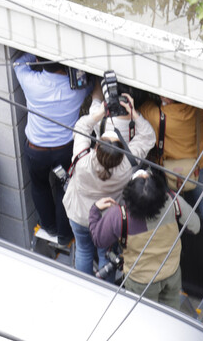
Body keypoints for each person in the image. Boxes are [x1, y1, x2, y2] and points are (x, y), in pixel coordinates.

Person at [62, 86, 155, 275]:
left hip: (79, 214)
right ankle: (107, 290)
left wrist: (102, 112)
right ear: (123, 149)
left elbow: (81, 127)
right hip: (107, 220)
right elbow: (148, 137)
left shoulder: (82, 160)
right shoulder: (128, 163)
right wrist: (134, 113)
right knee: (106, 256)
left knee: (83, 250)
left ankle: (85, 284)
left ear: (96, 146)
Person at [139, 95, 203, 280]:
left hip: (172, 172)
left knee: (170, 213)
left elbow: (141, 108)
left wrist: (161, 103)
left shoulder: (158, 116)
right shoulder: (198, 108)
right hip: (200, 167)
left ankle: (170, 260)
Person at [88, 165, 201, 305]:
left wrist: (94, 211)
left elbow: (98, 240)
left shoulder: (118, 216)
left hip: (141, 281)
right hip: (171, 272)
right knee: (171, 317)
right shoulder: (173, 201)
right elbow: (195, 226)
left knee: (146, 318)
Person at [13, 54, 92, 246]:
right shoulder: (77, 89)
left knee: (40, 186)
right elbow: (91, 81)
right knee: (64, 188)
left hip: (36, 150)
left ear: (39, 63)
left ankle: (49, 226)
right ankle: (64, 234)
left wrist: (35, 54)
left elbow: (18, 64)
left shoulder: (31, 82)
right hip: (64, 151)